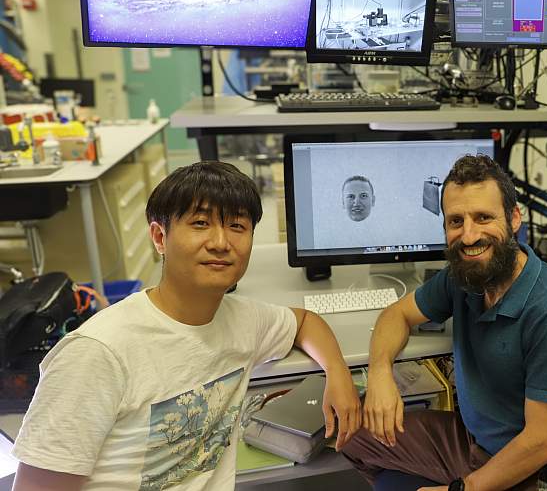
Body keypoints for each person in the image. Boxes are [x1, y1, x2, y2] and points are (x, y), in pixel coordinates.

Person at [12, 161, 361, 490]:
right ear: (160, 237)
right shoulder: (96, 353)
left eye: (236, 226)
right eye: (200, 223)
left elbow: (304, 321)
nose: (221, 242)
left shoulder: (242, 320)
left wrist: (338, 374)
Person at [342, 154, 547, 491]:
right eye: (456, 221)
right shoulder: (465, 277)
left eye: (483, 217)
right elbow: (396, 315)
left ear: (515, 218)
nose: (469, 235)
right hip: (474, 443)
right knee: (352, 434)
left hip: (536, 475)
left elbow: (543, 443)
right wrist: (379, 375)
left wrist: (461, 489)